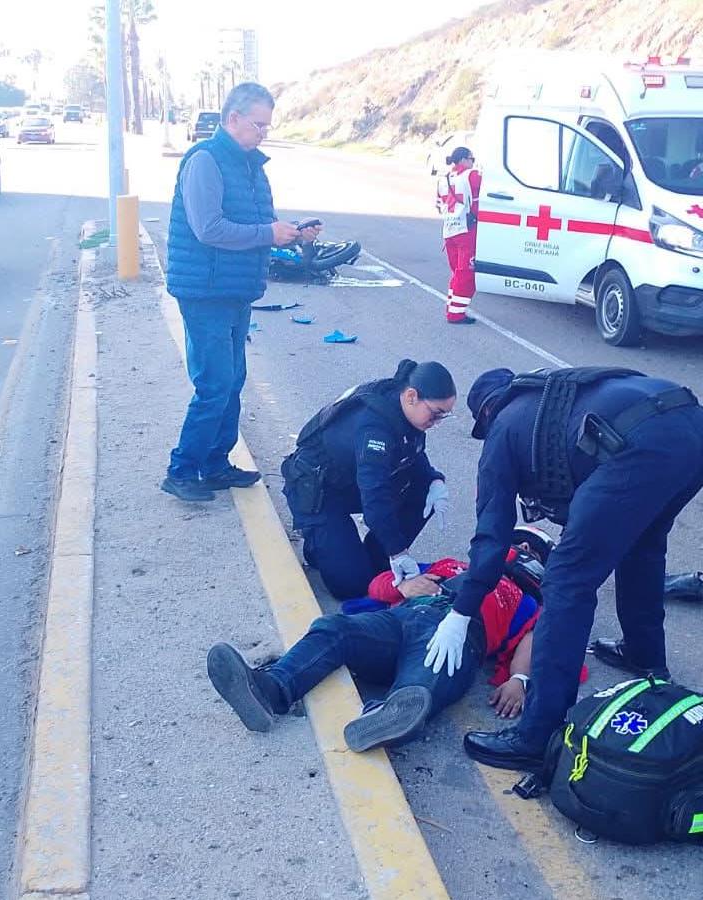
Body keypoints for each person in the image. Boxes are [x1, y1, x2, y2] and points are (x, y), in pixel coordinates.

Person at [439, 366, 703, 771]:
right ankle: (645, 657)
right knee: (644, 544)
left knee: (567, 581)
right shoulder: (548, 395)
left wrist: (461, 610)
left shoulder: (502, 427)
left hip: (644, 446)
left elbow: (492, 534)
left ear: (485, 413)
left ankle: (536, 736)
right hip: (697, 428)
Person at [206, 551, 576, 751]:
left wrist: (519, 678)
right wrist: (405, 586)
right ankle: (271, 690)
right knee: (335, 629)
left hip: (458, 639)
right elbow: (382, 584)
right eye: (521, 545)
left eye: (531, 551)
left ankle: (388, 716)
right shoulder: (451, 566)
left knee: (424, 682)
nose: (523, 551)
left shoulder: (527, 601)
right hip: (401, 619)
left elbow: (536, 639)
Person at [162, 82, 322, 503]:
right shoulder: (205, 161)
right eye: (258, 125)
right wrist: (268, 233)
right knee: (214, 384)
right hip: (205, 291)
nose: (263, 133)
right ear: (232, 119)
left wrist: (291, 233)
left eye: (267, 126)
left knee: (233, 380)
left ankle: (216, 463)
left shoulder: (250, 165)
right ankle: (182, 470)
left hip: (235, 290)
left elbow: (256, 226)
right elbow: (209, 228)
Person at [282, 360, 455, 599]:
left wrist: (434, 480)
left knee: (426, 491)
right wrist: (398, 552)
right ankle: (318, 544)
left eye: (444, 415)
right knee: (352, 587)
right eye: (436, 414)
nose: (437, 422)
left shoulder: (403, 408)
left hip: (351, 480)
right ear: (411, 397)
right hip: (317, 490)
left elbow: (411, 452)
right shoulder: (374, 428)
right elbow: (375, 496)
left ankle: (375, 555)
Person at [436, 146, 482, 324]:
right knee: (466, 273)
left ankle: (452, 307)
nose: (473, 163)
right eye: (472, 159)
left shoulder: (443, 179)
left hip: (449, 231)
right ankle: (456, 314)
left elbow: (439, 205)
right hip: (466, 231)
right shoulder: (472, 175)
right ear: (463, 159)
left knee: (457, 272)